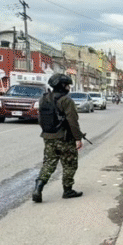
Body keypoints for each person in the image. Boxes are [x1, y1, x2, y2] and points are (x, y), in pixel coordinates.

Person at [32, 73, 85, 202]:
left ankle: (38, 188)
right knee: (69, 164)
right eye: (67, 85)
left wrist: (48, 132)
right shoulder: (66, 100)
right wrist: (78, 138)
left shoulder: (43, 99)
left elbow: (41, 119)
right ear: (62, 86)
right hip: (64, 138)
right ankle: (68, 190)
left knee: (48, 163)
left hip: (48, 137)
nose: (68, 88)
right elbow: (72, 121)